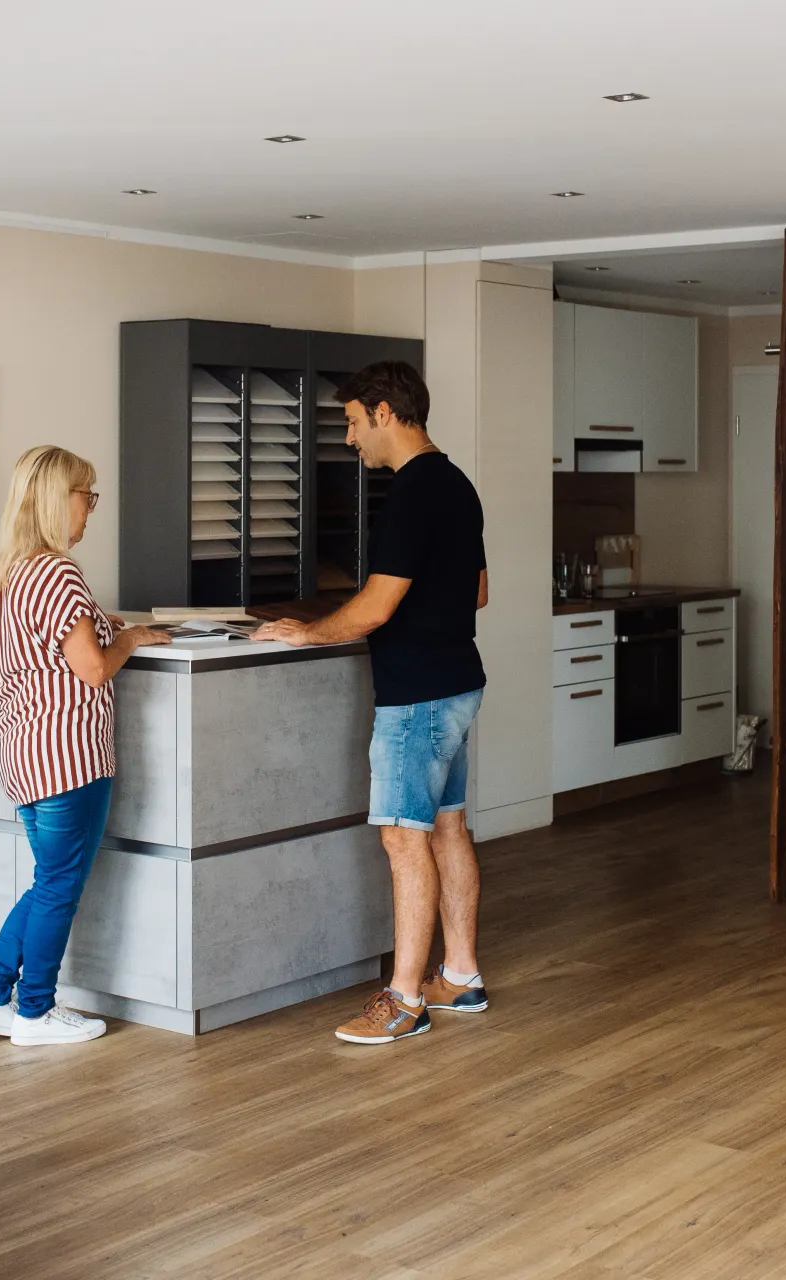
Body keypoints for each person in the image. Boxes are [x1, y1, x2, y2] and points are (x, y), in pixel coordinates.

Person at [254, 361, 490, 1046]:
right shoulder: (456, 483)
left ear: (385, 412)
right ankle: (461, 976)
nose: (350, 438)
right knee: (446, 827)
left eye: (354, 422)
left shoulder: (411, 495)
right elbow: (476, 592)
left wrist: (307, 632)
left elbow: (375, 608)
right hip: (456, 682)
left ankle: (405, 999)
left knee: (402, 836)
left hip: (417, 696)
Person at [0, 445, 172, 1046]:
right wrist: (130, 638)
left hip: (24, 752)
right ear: (57, 499)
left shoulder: (6, 573)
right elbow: (94, 668)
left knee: (48, 880)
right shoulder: (56, 572)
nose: (91, 509)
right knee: (57, 886)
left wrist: (110, 627)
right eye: (86, 496)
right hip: (69, 756)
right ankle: (35, 1012)